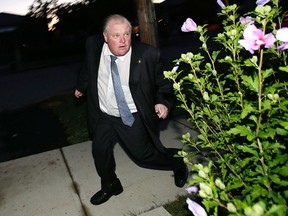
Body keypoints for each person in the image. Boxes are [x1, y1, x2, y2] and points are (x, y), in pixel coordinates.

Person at [74, 14, 188, 205]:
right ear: (105, 37)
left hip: (130, 116)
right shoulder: (93, 45)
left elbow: (165, 83)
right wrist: (81, 86)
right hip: (104, 115)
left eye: (127, 34)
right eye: (116, 35)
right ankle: (111, 185)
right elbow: (87, 67)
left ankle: (177, 161)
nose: (123, 40)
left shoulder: (147, 54)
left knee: (144, 157)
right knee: (100, 151)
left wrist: (162, 102)